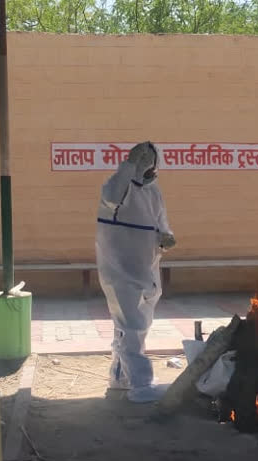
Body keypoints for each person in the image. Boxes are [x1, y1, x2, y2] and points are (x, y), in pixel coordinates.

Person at [95, 142, 176, 403]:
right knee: (131, 325)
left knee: (134, 326)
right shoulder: (117, 186)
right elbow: (111, 196)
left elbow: (162, 223)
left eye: (149, 158)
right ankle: (141, 386)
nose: (145, 162)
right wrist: (128, 165)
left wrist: (167, 237)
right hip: (120, 268)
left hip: (148, 268)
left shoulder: (154, 192)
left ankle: (120, 378)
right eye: (140, 157)